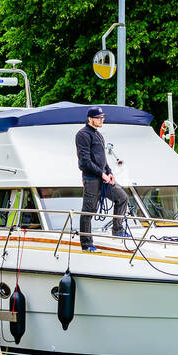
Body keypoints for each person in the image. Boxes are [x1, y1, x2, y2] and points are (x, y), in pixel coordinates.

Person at [75, 107, 129, 250]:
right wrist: (101, 174)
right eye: (98, 118)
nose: (101, 120)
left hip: (104, 177)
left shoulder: (99, 135)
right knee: (88, 211)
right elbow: (85, 161)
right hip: (91, 179)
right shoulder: (82, 134)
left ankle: (117, 230)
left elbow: (103, 159)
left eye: (102, 117)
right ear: (90, 119)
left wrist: (110, 173)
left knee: (122, 197)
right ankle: (86, 244)